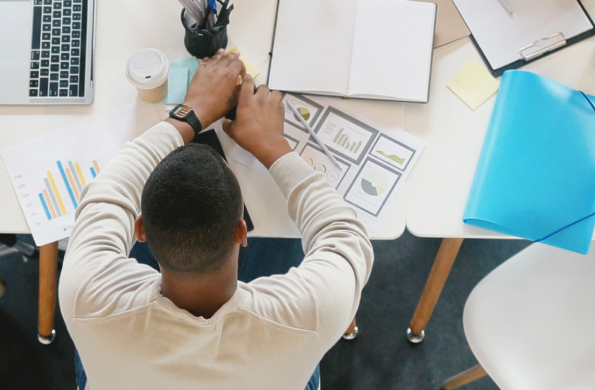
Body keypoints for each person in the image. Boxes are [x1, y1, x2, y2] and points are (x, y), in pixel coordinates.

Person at [60, 51, 373, 390]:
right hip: (275, 359)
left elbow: (107, 192)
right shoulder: (308, 314)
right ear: (241, 231)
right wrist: (273, 146)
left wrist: (187, 115)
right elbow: (344, 236)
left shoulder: (87, 297)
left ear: (141, 230)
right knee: (284, 239)